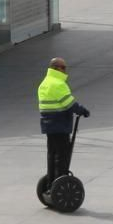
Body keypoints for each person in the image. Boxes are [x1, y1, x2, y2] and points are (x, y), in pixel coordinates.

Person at [37, 57, 89, 185]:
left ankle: (51, 182)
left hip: (48, 124)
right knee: (62, 155)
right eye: (63, 67)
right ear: (56, 68)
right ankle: (60, 182)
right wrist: (83, 111)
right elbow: (69, 104)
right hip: (60, 124)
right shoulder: (58, 84)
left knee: (52, 153)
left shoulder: (45, 82)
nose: (66, 70)